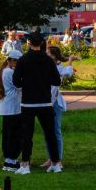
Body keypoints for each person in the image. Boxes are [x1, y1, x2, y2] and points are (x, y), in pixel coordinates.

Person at [15, 31, 65, 172]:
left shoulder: (23, 60)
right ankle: (56, 163)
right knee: (50, 134)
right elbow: (56, 80)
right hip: (45, 102)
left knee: (27, 135)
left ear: (29, 43)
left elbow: (16, 82)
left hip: (28, 103)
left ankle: (25, 164)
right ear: (42, 44)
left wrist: (27, 83)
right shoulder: (48, 60)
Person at [0, 48, 28, 174]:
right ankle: (11, 159)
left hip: (8, 108)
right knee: (14, 135)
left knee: (8, 135)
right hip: (14, 108)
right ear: (11, 61)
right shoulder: (10, 72)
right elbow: (19, 85)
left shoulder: (5, 70)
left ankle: (9, 159)